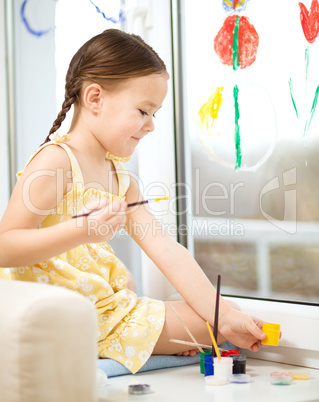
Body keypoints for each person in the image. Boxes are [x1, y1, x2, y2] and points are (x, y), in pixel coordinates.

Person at [0, 29, 267, 374]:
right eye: (143, 110)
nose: (151, 125)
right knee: (207, 326)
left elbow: (165, 248)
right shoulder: (56, 161)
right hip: (58, 314)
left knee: (216, 321)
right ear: (94, 98)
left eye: (154, 114)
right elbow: (5, 246)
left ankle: (128, 343)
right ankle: (108, 347)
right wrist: (81, 231)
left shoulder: (120, 176)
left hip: (105, 310)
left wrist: (225, 315)